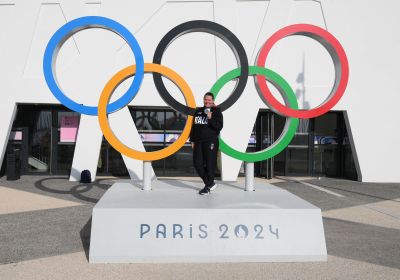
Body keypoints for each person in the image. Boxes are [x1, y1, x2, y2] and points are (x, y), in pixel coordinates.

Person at [189, 92, 223, 195]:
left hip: (211, 142)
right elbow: (194, 127)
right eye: (206, 100)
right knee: (197, 164)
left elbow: (219, 126)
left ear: (212, 101)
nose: (207, 101)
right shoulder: (198, 111)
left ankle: (207, 187)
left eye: (209, 100)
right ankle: (210, 183)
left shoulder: (217, 111)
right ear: (203, 100)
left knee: (209, 165)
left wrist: (210, 118)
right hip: (198, 142)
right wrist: (192, 140)